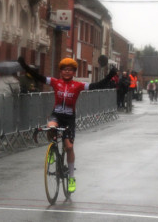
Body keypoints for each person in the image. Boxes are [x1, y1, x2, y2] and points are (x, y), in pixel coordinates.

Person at [18, 56, 117, 193]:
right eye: (64, 69)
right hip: (57, 115)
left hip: (69, 118)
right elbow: (39, 77)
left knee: (69, 147)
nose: (67, 72)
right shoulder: (55, 82)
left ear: (74, 72)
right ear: (60, 71)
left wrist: (110, 76)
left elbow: (96, 86)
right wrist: (24, 66)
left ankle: (71, 177)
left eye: (70, 70)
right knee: (51, 126)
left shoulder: (78, 85)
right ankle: (52, 148)